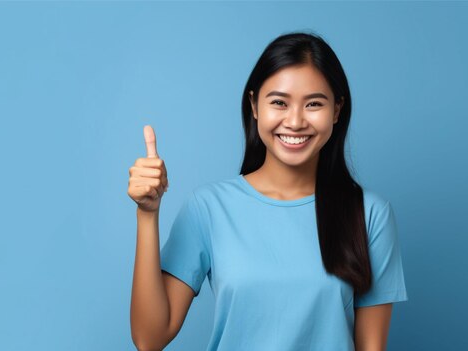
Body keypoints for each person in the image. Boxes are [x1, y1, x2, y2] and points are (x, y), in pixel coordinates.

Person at [128, 31, 408, 351]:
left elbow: (371, 347)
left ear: (337, 110)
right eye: (279, 102)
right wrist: (147, 215)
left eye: (314, 103)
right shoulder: (208, 208)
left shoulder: (369, 214)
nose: (295, 121)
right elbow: (149, 338)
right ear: (254, 105)